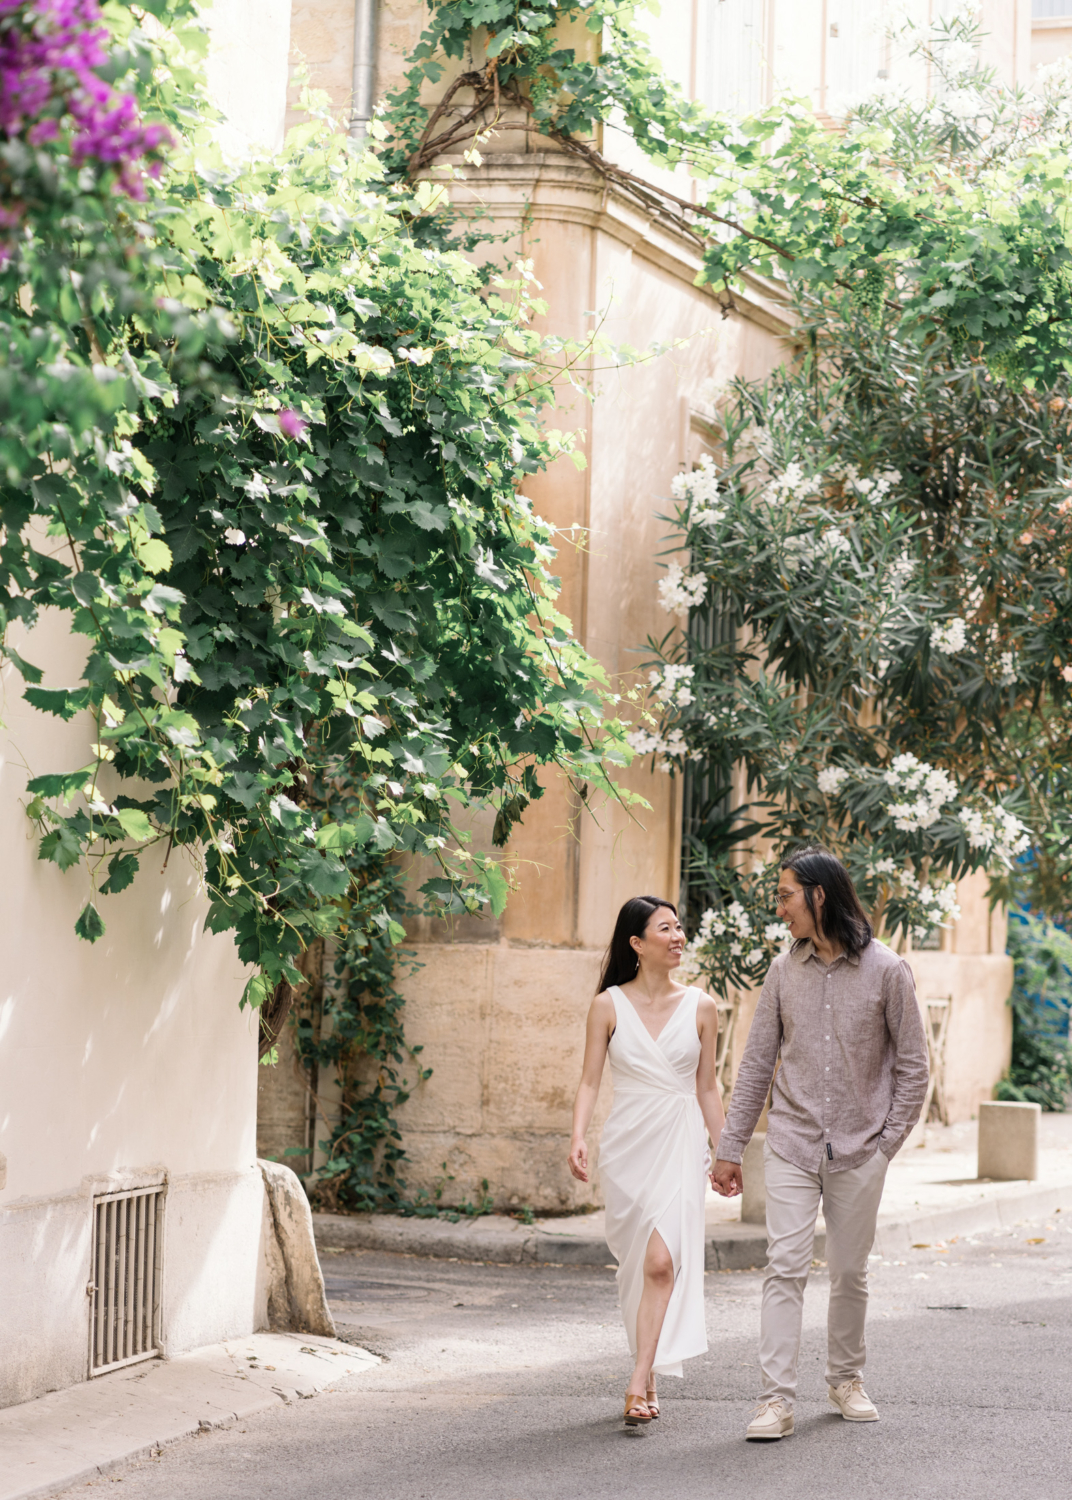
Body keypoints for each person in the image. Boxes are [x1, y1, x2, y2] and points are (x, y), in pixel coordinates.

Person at [712, 847, 929, 1441]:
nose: (778, 908)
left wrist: (886, 1145)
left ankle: (845, 1379)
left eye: (785, 896)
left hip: (862, 1148)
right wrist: (731, 1147)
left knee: (849, 1271)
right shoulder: (784, 971)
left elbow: (914, 1069)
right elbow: (756, 1064)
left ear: (819, 896)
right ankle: (775, 1400)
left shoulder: (889, 970)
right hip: (791, 1141)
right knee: (783, 1267)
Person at [568, 895, 726, 1428]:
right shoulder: (607, 1005)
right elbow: (590, 1079)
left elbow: (707, 1087)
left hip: (681, 1141)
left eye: (680, 927)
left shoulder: (703, 1006)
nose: (679, 936)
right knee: (638, 1265)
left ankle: (637, 1382)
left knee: (662, 1262)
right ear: (637, 943)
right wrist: (578, 1136)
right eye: (666, 928)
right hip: (628, 1145)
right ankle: (650, 1370)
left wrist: (725, 1152)